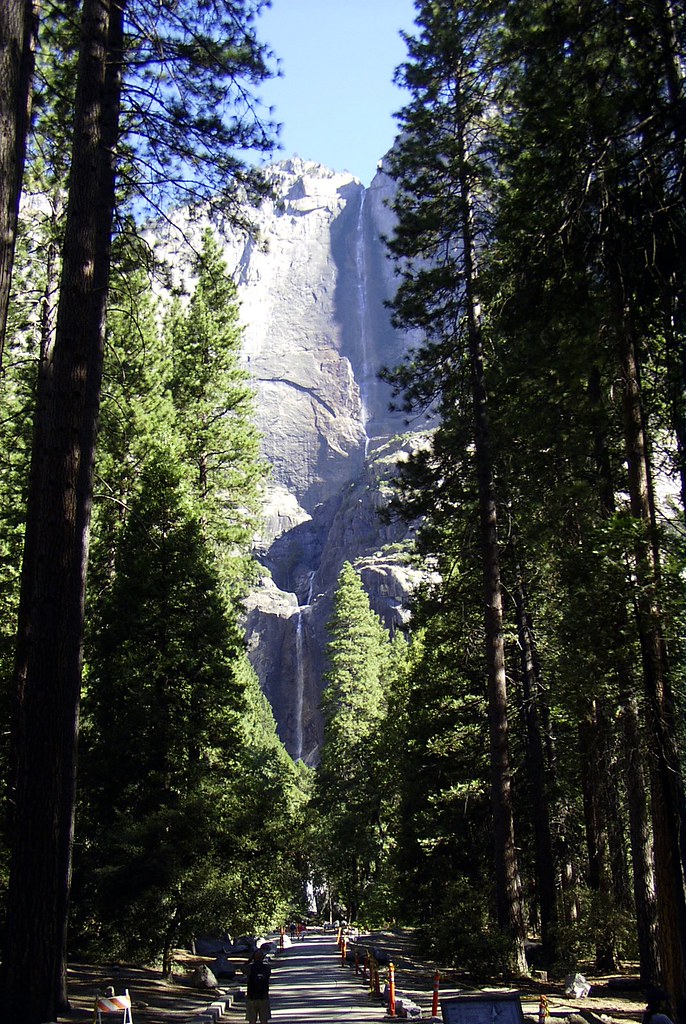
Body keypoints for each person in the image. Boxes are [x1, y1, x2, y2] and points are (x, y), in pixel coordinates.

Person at [244, 946, 271, 1024]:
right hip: (264, 997)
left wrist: (250, 960)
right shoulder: (267, 968)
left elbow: (242, 968)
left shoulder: (249, 968)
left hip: (251, 997)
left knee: (252, 1020)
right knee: (264, 1020)